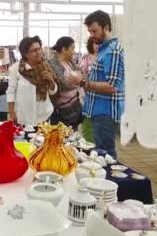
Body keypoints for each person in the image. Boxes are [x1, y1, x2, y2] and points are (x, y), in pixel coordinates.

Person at [69, 10, 124, 159]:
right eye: (89, 31)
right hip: (98, 110)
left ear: (106, 28)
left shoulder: (112, 51)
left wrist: (81, 82)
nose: (91, 35)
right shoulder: (104, 49)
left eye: (94, 31)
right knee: (100, 151)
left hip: (104, 112)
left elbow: (112, 86)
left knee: (106, 153)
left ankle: (111, 180)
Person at [7, 36, 57, 127]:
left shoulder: (46, 67)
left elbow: (53, 92)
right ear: (25, 54)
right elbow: (11, 92)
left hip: (44, 117)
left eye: (39, 49)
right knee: (24, 141)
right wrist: (11, 114)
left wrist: (51, 80)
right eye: (34, 50)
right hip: (24, 119)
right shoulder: (15, 69)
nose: (38, 52)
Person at [47, 36, 83, 131]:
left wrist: (79, 81)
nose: (74, 51)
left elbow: (81, 75)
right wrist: (79, 82)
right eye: (72, 48)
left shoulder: (70, 62)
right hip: (62, 109)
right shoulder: (51, 63)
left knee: (72, 133)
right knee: (63, 135)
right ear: (64, 49)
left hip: (75, 105)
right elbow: (62, 84)